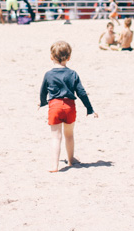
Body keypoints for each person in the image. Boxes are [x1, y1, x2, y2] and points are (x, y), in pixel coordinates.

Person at [39, 41, 97, 172]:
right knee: (69, 135)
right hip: (70, 107)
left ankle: (54, 165)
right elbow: (81, 92)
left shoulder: (49, 74)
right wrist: (90, 108)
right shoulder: (73, 74)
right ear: (69, 57)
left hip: (55, 107)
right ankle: (71, 160)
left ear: (51, 57)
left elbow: (43, 91)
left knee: (56, 137)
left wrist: (42, 102)